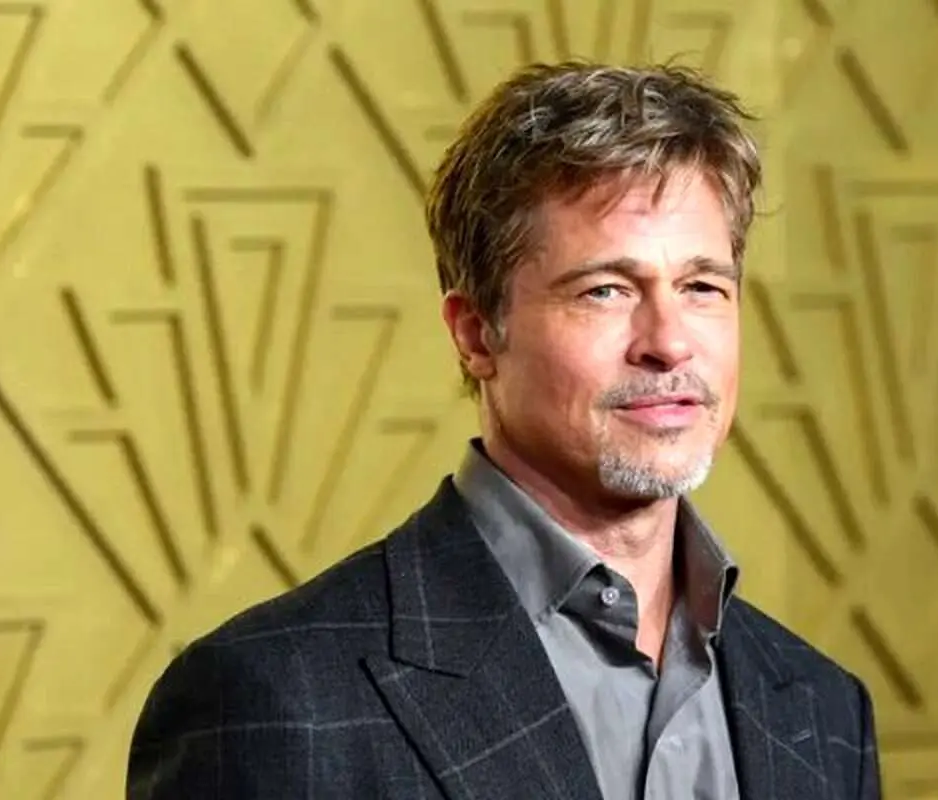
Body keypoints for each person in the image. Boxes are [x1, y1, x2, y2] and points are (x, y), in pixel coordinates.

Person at [126, 61, 881, 799]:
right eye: (606, 290)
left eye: (702, 287)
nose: (669, 341)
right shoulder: (273, 701)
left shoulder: (824, 712)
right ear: (476, 334)